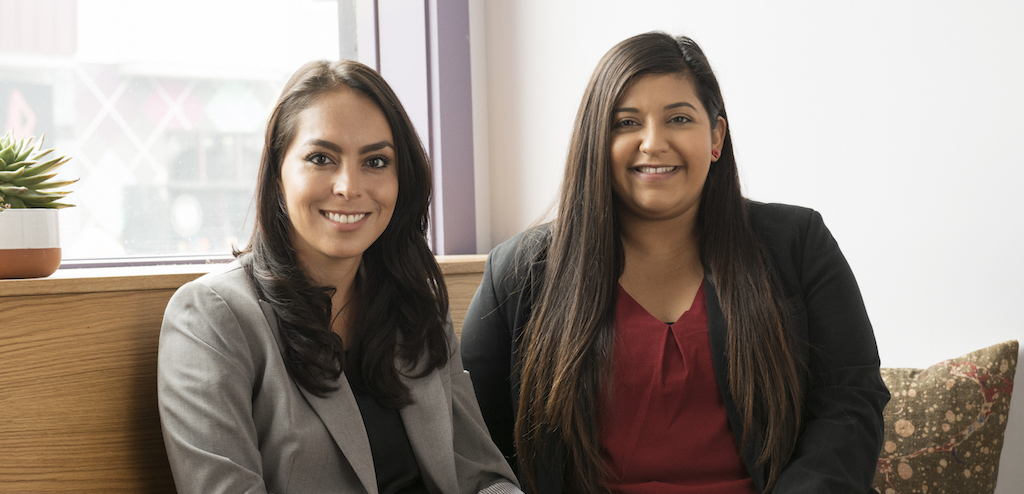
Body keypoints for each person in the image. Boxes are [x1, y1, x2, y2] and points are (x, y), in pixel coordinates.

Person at [461, 32, 890, 494]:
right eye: (626, 123)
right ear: (595, 143)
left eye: (679, 118)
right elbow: (472, 441)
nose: (652, 143)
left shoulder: (798, 245)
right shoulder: (518, 274)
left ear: (716, 137)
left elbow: (851, 401)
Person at [158, 60, 522, 494]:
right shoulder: (211, 318)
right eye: (321, 158)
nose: (349, 185)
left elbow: (480, 474)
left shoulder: (415, 302)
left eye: (375, 161)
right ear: (278, 173)